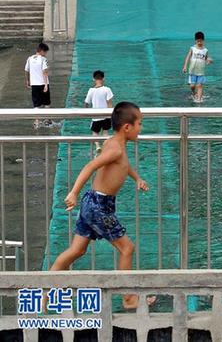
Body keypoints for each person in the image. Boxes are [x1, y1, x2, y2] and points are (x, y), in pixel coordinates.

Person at [49, 102, 154, 309]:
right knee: (127, 248)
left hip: (93, 202)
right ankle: (128, 298)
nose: (141, 128)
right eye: (139, 124)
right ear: (127, 127)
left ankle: (44, 293)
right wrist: (73, 192)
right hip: (99, 206)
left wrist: (137, 178)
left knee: (77, 250)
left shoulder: (114, 143)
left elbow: (123, 166)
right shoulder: (115, 148)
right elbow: (90, 166)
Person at [84, 70, 114, 154]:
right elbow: (110, 103)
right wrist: (111, 114)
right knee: (105, 132)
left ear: (93, 79)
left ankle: (97, 146)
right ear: (103, 78)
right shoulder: (107, 89)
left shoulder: (91, 90)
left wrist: (86, 111)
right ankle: (106, 147)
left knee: (95, 132)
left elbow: (86, 103)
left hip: (96, 116)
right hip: (106, 115)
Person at [24, 42, 51, 129]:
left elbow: (26, 70)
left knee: (36, 104)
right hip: (43, 84)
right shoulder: (43, 59)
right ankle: (47, 120)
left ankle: (37, 122)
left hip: (34, 84)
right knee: (47, 103)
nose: (46, 54)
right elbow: (45, 72)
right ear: (42, 51)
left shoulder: (29, 58)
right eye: (45, 52)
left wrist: (28, 80)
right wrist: (46, 85)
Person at [182, 31, 212, 103]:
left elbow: (207, 59)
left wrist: (209, 61)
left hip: (201, 72)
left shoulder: (205, 50)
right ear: (195, 41)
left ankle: (199, 100)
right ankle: (193, 93)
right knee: (192, 86)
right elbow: (188, 57)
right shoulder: (192, 48)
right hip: (192, 71)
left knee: (199, 85)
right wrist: (185, 66)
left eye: (201, 41)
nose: (199, 43)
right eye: (198, 41)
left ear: (203, 41)